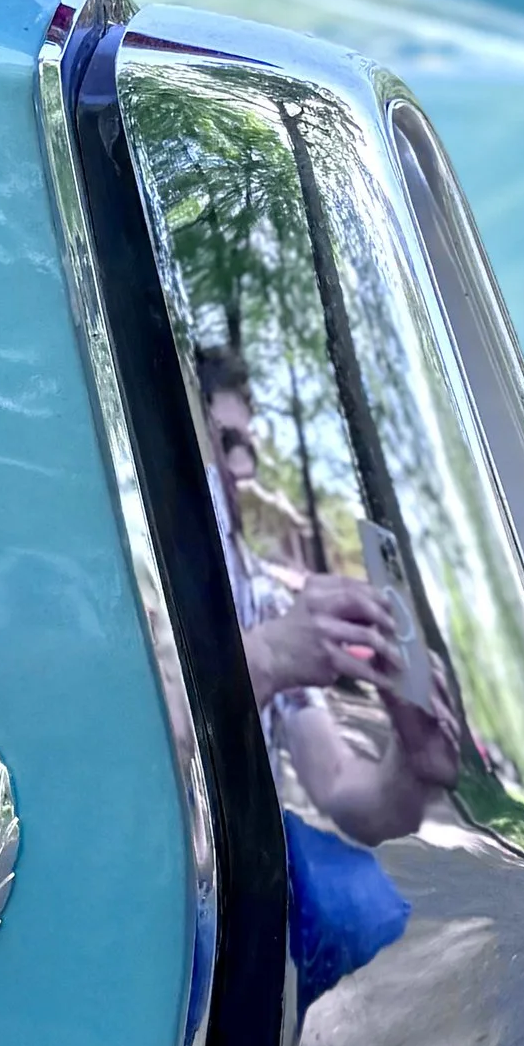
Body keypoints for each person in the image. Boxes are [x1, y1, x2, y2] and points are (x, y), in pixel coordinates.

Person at [197, 343, 460, 848]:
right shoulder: (143, 583)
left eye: (246, 446)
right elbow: (122, 751)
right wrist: (268, 655)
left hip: (247, 885)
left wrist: (411, 764)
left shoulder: (268, 602)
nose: (243, 470)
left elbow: (342, 789)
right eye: (224, 441)